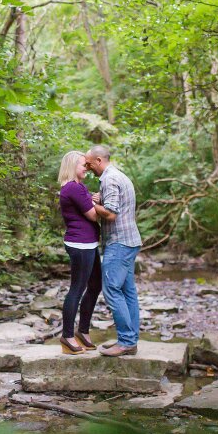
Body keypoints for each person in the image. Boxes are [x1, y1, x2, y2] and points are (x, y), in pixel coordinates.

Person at [84, 145, 143, 357]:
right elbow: (114, 204)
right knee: (128, 292)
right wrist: (98, 199)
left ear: (99, 160)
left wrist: (87, 202)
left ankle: (126, 341)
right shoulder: (118, 175)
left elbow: (110, 214)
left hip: (119, 243)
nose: (88, 168)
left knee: (111, 290)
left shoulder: (109, 179)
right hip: (130, 240)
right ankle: (130, 340)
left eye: (90, 164)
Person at [57, 151, 102, 355]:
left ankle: (82, 331)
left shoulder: (79, 186)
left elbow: (89, 205)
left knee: (95, 286)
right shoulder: (72, 188)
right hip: (80, 244)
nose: (87, 168)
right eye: (83, 165)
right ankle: (67, 336)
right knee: (77, 289)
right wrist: (101, 205)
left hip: (89, 244)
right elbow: (93, 215)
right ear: (73, 165)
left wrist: (94, 200)